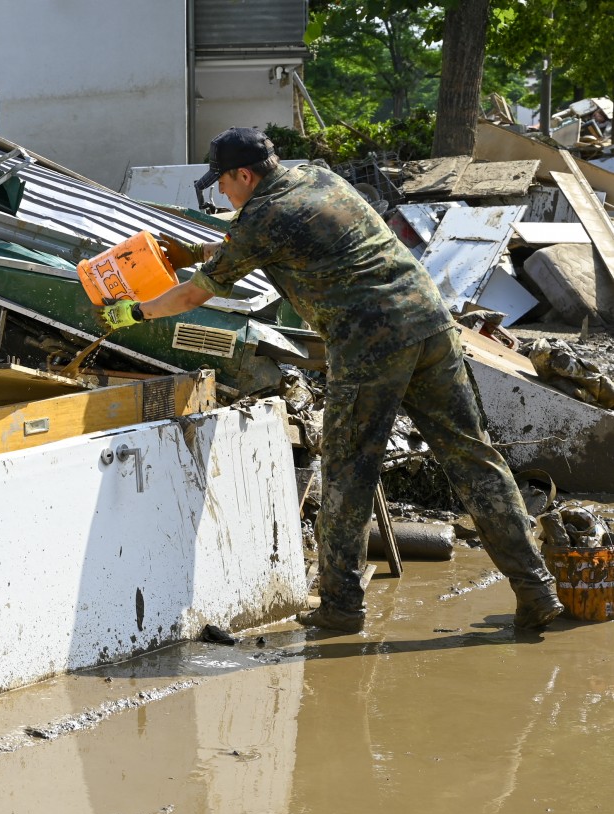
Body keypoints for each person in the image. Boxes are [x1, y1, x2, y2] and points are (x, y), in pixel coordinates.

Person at [100, 126, 563, 634]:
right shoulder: (315, 178)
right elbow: (260, 239)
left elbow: (193, 297)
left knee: (348, 470)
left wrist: (137, 313)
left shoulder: (262, 218)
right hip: (429, 324)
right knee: (474, 458)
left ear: (244, 174)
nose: (222, 193)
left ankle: (341, 606)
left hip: (370, 343)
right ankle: (537, 591)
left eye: (223, 183)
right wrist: (191, 253)